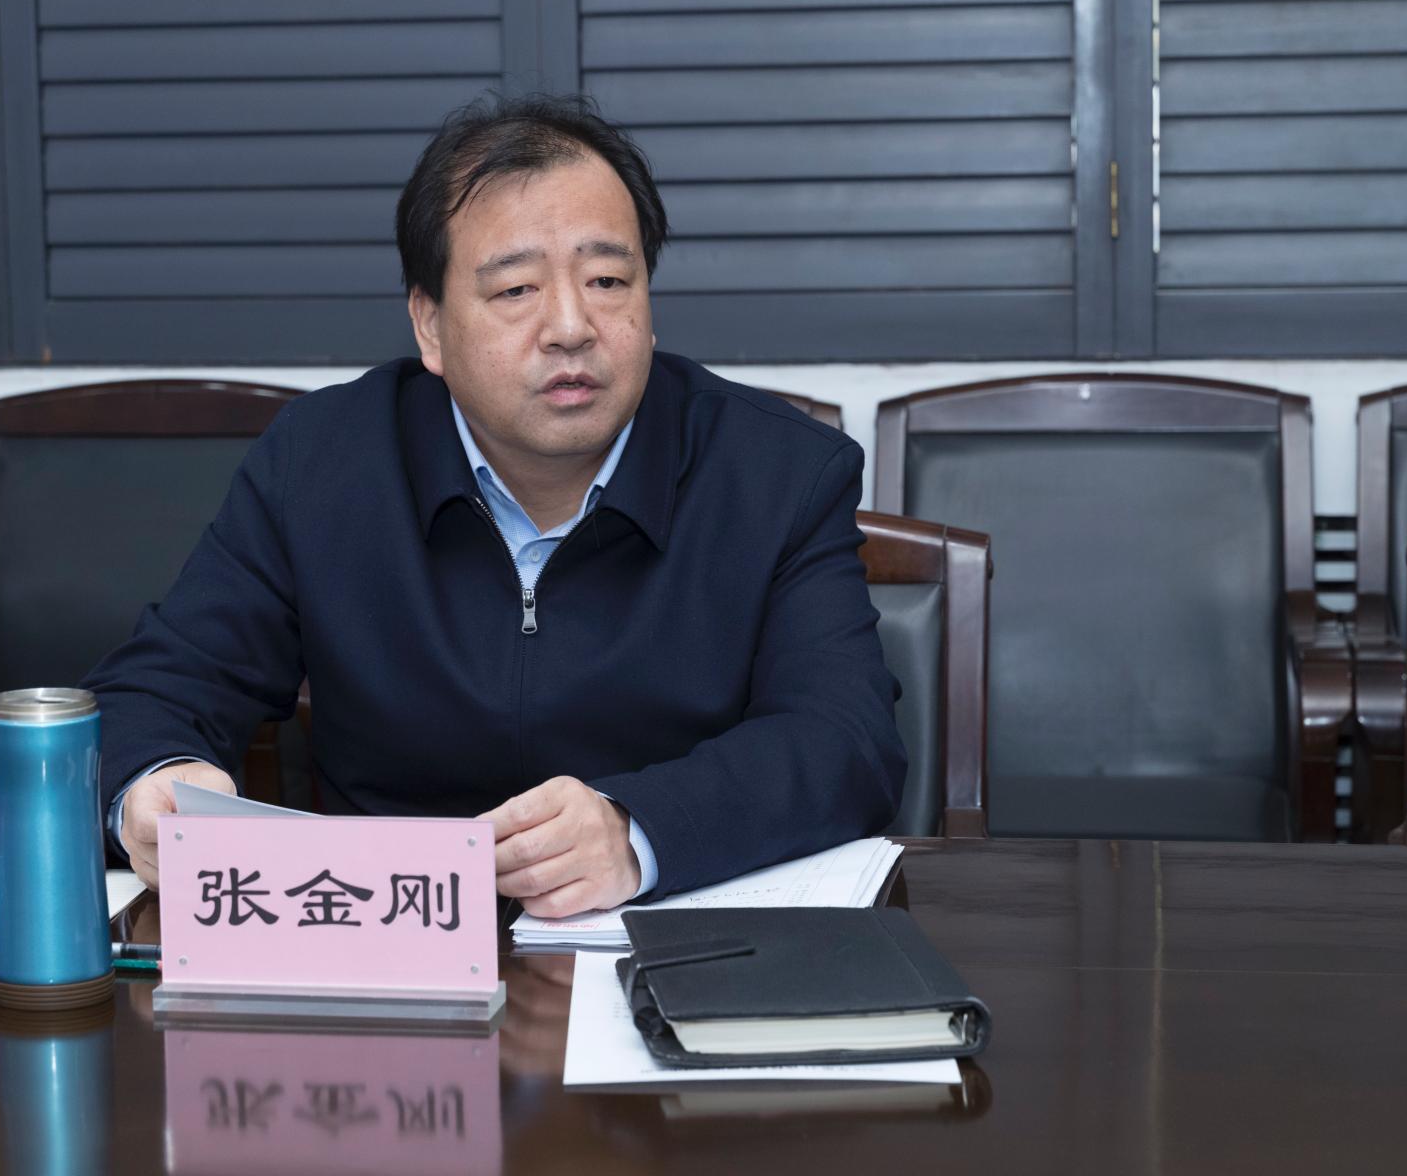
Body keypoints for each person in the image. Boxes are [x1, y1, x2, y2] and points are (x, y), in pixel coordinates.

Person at [90, 94, 905, 915]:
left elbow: (846, 740)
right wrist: (152, 784)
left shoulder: (776, 474)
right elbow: (155, 691)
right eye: (516, 289)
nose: (570, 326)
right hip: (383, 941)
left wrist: (637, 830)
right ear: (430, 326)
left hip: (669, 941)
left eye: (608, 280)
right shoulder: (322, 463)